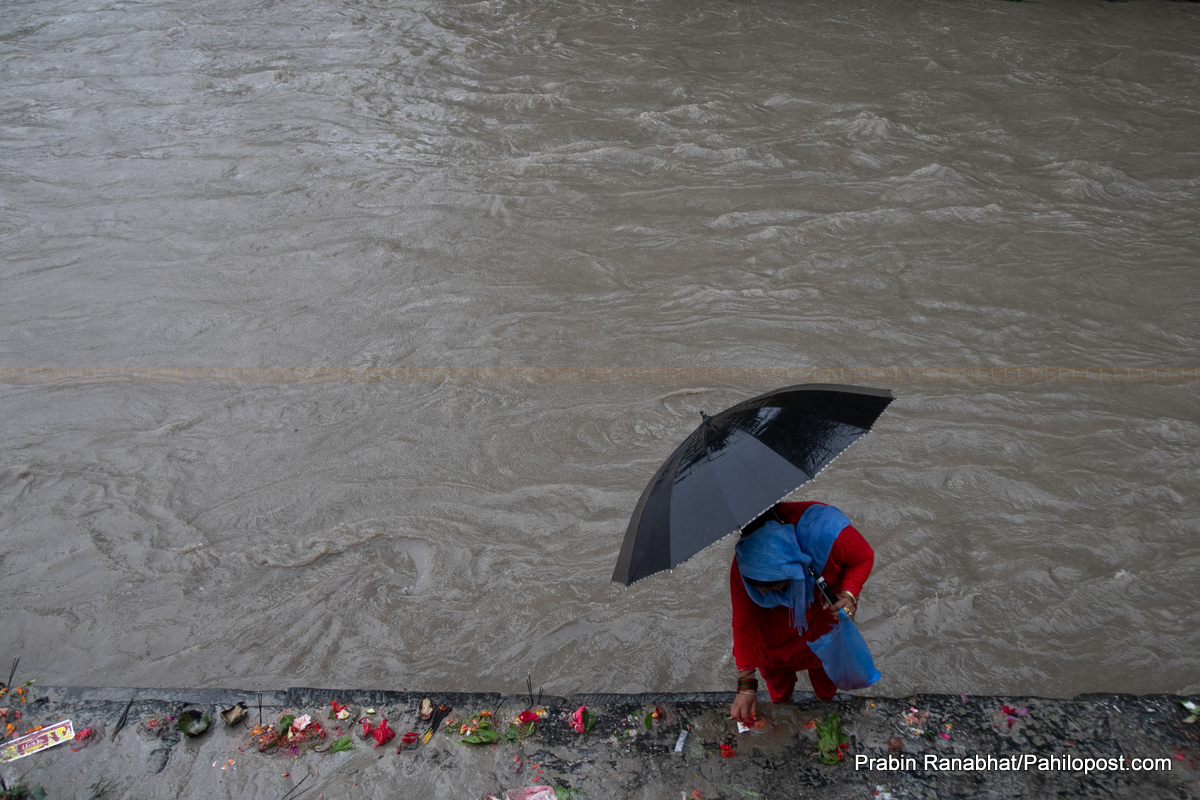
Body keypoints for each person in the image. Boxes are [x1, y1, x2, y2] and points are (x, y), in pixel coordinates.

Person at [729, 500, 874, 724]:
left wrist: (848, 594)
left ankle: (826, 709)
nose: (759, 591)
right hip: (773, 643)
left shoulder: (828, 536)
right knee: (779, 693)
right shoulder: (744, 564)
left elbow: (862, 557)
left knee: (826, 685)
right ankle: (783, 706)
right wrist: (746, 685)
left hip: (821, 627)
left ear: (791, 570)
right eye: (754, 584)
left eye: (768, 585)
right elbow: (743, 623)